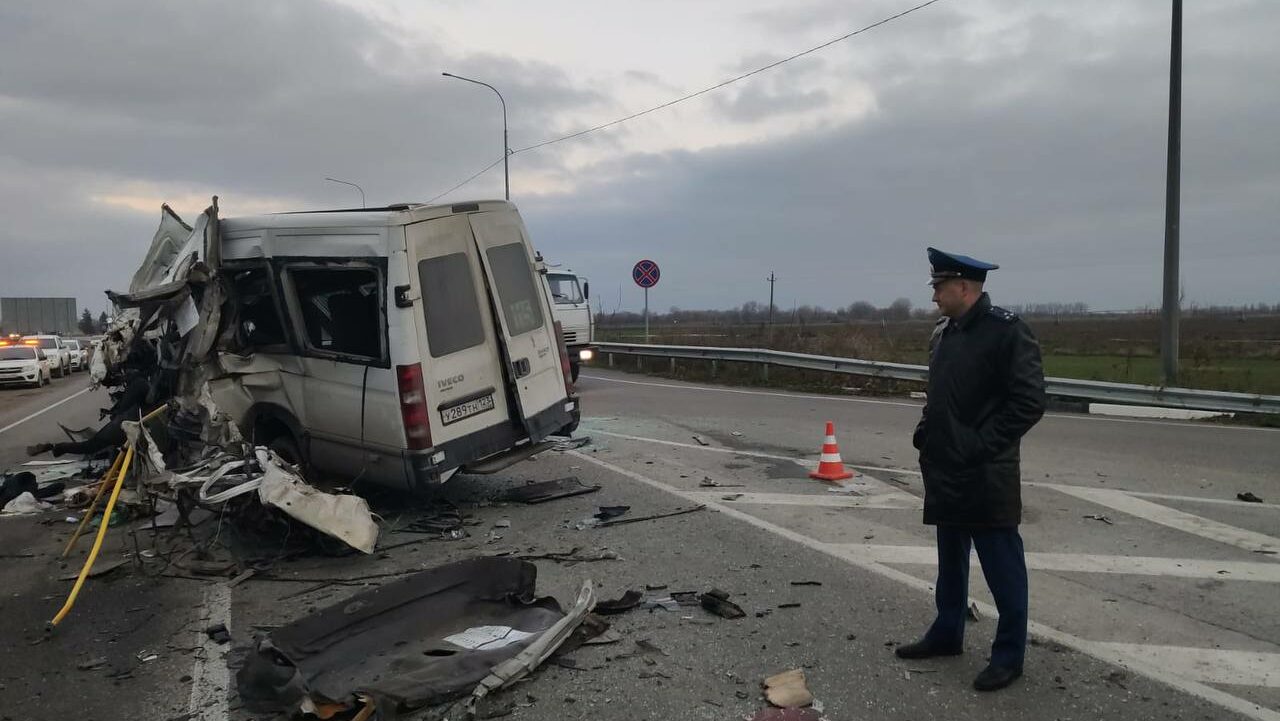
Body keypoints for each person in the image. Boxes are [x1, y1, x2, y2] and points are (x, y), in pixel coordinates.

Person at [896, 247, 1047, 692]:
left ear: (965, 287)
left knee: (1003, 568)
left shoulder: (1007, 332)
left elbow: (1029, 403)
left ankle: (1008, 657)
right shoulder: (943, 333)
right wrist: (926, 431)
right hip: (944, 470)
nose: (934, 297)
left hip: (985, 473)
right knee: (950, 562)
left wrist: (980, 446)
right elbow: (938, 393)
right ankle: (946, 632)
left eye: (939, 287)